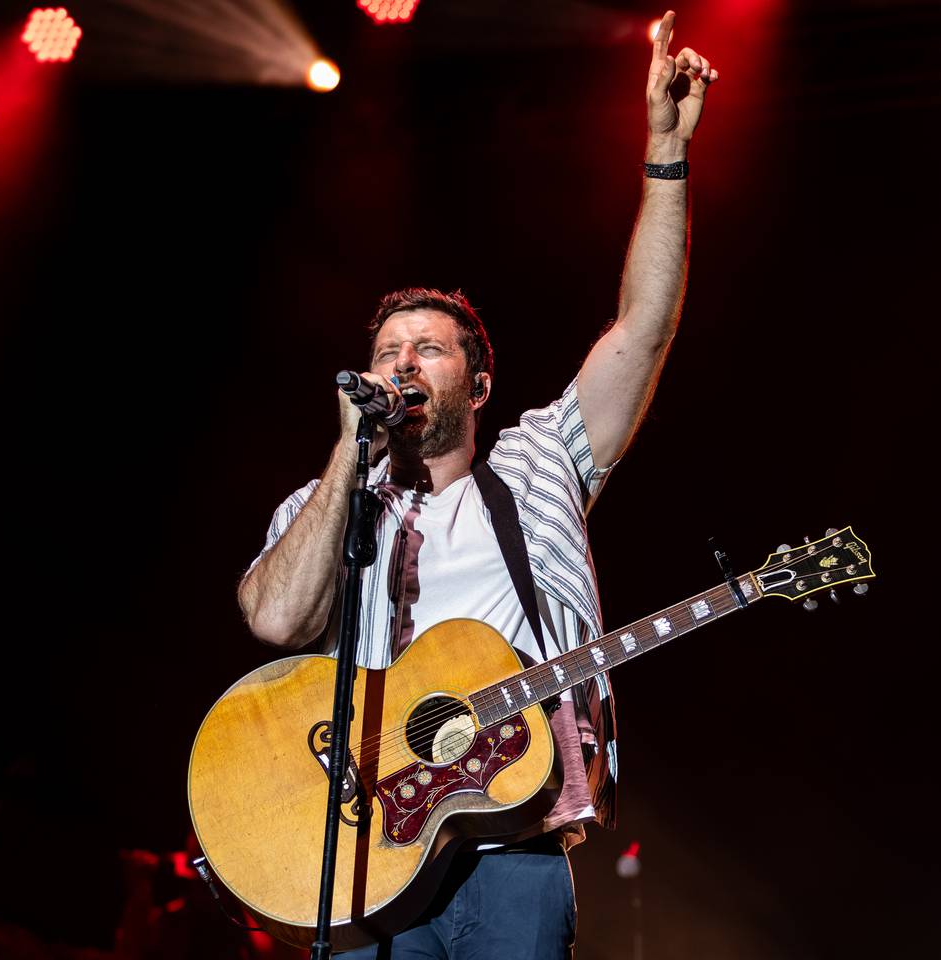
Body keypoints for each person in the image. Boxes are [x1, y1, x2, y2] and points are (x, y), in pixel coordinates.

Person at [237, 10, 715, 958]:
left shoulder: (538, 466)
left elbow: (644, 327)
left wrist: (665, 154)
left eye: (428, 349)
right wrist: (349, 457)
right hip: (367, 858)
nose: (402, 363)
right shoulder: (331, 501)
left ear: (479, 384)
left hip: (513, 844)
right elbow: (275, 621)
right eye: (387, 352)